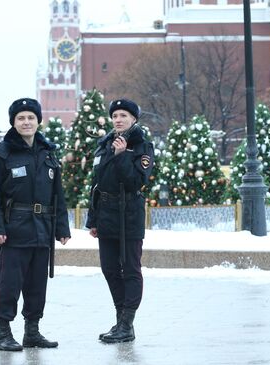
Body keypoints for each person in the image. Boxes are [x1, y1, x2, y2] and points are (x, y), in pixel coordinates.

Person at [0, 97, 71, 351]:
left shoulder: (47, 152)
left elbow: (58, 194)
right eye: (21, 118)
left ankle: (32, 332)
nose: (26, 122)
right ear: (13, 122)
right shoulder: (2, 152)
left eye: (31, 117)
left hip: (42, 229)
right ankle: (4, 333)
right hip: (13, 230)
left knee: (37, 285)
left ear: (38, 120)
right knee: (9, 284)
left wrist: (62, 227)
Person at [86, 98, 155, 343]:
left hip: (129, 212)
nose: (118, 120)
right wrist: (92, 219)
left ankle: (127, 323)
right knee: (110, 269)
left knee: (131, 269)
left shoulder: (142, 145)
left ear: (134, 119)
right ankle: (121, 321)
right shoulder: (104, 143)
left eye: (124, 115)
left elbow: (136, 181)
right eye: (115, 116)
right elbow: (97, 182)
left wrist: (122, 155)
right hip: (105, 212)